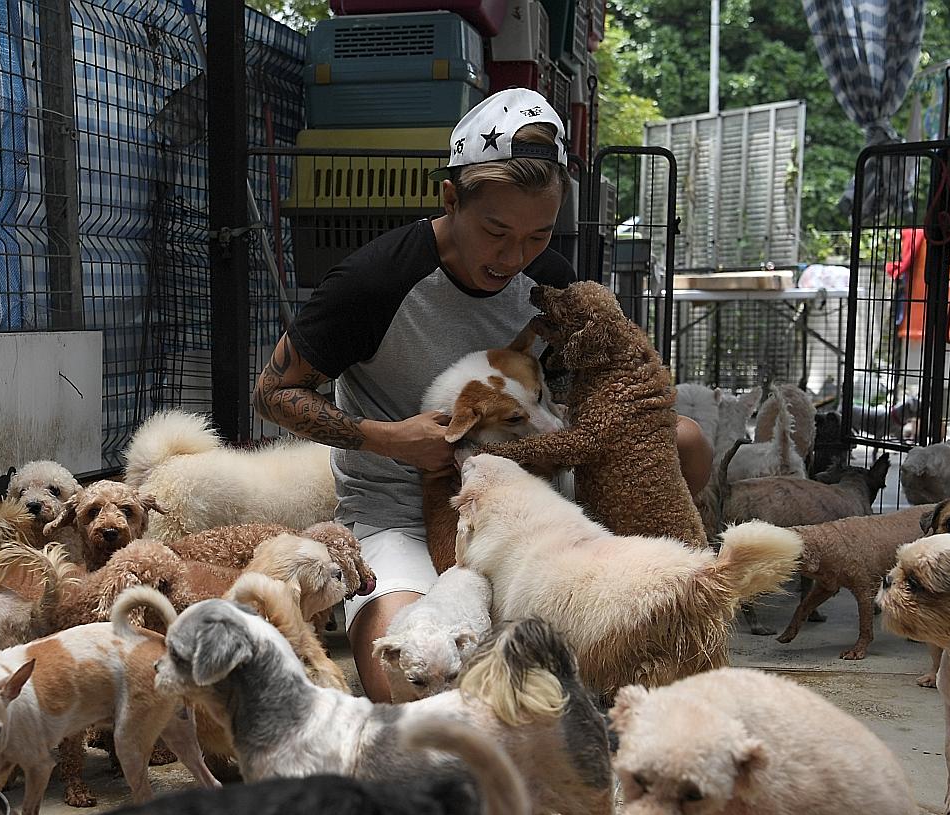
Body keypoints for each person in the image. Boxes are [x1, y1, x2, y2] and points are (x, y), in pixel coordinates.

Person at [254, 89, 714, 701]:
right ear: (451, 197)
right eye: (496, 231)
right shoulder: (375, 280)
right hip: (404, 507)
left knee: (684, 442)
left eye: (537, 236)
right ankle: (406, 605)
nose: (513, 257)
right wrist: (390, 440)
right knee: (409, 680)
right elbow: (271, 393)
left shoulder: (546, 281)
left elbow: (582, 397)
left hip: (531, 493)